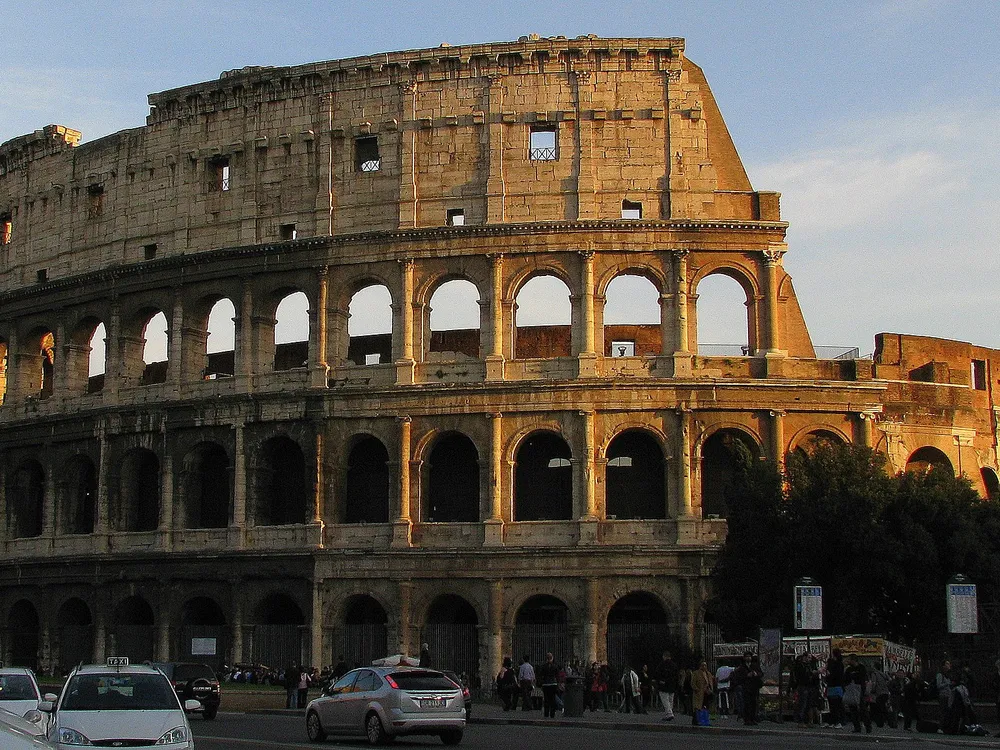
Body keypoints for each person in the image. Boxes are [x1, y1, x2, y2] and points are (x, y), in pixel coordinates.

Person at [843, 654, 870, 734]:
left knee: (862, 709)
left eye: (849, 660)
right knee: (853, 709)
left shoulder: (861, 668)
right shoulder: (849, 669)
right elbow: (845, 679)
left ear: (853, 660)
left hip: (859, 690)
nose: (848, 661)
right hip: (851, 690)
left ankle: (868, 726)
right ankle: (857, 727)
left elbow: (862, 677)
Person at [655, 650, 678, 721]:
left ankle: (669, 713)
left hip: (664, 685)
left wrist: (660, 681)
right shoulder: (674, 665)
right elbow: (676, 676)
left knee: (665, 700)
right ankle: (669, 713)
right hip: (672, 685)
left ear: (664, 656)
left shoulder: (662, 664)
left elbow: (657, 673)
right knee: (671, 699)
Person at [825, 649, 845, 728]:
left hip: (834, 686)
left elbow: (832, 675)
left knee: (835, 705)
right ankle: (835, 721)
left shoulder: (835, 665)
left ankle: (837, 721)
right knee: (835, 705)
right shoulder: (839, 664)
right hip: (837, 686)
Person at [741, 655, 763, 726]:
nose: (748, 658)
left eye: (749, 656)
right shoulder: (742, 666)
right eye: (746, 656)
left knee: (754, 703)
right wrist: (747, 675)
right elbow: (738, 676)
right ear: (744, 658)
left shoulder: (755, 666)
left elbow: (761, 673)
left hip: (754, 687)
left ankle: (752, 718)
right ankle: (747, 719)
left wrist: (756, 674)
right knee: (747, 704)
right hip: (746, 687)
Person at [690, 660, 713, 724]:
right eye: (703, 665)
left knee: (705, 707)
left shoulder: (708, 673)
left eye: (705, 665)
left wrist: (711, 689)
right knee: (697, 707)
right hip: (699, 693)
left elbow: (710, 682)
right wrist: (696, 689)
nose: (704, 666)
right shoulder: (696, 673)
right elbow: (693, 683)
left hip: (707, 692)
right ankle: (696, 720)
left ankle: (705, 720)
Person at [538, 652, 560, 718]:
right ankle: (552, 714)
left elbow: (541, 675)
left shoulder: (543, 666)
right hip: (553, 684)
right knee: (552, 699)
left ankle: (546, 713)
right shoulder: (555, 666)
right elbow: (557, 675)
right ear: (552, 658)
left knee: (546, 699)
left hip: (546, 684)